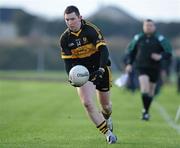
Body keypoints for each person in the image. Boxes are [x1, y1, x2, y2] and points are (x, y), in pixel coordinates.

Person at [59, 6, 117, 144]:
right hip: (83, 73)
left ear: (80, 17)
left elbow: (104, 51)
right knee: (87, 103)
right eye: (67, 19)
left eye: (72, 19)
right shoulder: (64, 39)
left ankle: (107, 118)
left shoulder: (91, 30)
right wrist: (71, 77)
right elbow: (68, 63)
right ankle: (108, 134)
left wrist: (102, 69)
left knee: (106, 106)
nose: (70, 22)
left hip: (100, 68)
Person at [125, 19, 172, 121]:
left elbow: (169, 52)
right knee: (145, 88)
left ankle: (145, 111)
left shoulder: (160, 38)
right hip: (141, 67)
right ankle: (145, 112)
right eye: (146, 26)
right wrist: (129, 63)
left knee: (151, 92)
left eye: (150, 26)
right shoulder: (138, 38)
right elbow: (130, 52)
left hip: (155, 68)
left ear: (154, 27)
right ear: (143, 27)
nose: (148, 27)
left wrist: (160, 56)